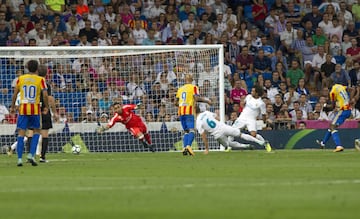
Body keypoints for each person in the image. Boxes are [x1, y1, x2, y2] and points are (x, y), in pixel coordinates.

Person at [10, 60, 49, 166]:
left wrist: (13, 106)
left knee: (21, 133)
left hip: (23, 109)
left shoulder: (20, 79)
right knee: (37, 131)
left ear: (27, 68)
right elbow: (45, 95)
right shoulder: (40, 79)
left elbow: (15, 94)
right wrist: (46, 107)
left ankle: (19, 159)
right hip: (35, 109)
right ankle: (31, 155)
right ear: (37, 68)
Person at [196, 107, 266, 154]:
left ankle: (245, 146)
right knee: (241, 135)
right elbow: (217, 117)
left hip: (218, 134)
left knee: (228, 144)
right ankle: (259, 141)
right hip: (224, 127)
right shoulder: (206, 112)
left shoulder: (198, 122)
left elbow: (203, 136)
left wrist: (207, 149)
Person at [176, 74, 212, 156]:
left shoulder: (180, 89)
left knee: (186, 131)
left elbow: (175, 102)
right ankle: (188, 145)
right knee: (192, 130)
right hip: (189, 111)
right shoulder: (194, 87)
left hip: (181, 111)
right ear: (192, 80)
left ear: (185, 79)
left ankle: (185, 147)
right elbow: (196, 98)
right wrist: (207, 101)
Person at [231, 85, 272, 152]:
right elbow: (243, 104)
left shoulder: (261, 103)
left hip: (251, 119)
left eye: (253, 91)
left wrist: (264, 122)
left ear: (257, 93)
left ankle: (265, 144)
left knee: (253, 135)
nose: (251, 92)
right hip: (242, 118)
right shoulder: (248, 97)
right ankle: (229, 146)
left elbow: (263, 114)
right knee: (232, 131)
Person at [316, 84, 351, 152]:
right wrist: (349, 100)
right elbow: (351, 89)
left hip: (343, 110)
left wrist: (325, 106)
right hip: (348, 110)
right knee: (332, 126)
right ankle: (323, 143)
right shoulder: (340, 86)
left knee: (333, 127)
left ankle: (339, 146)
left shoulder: (332, 92)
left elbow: (332, 106)